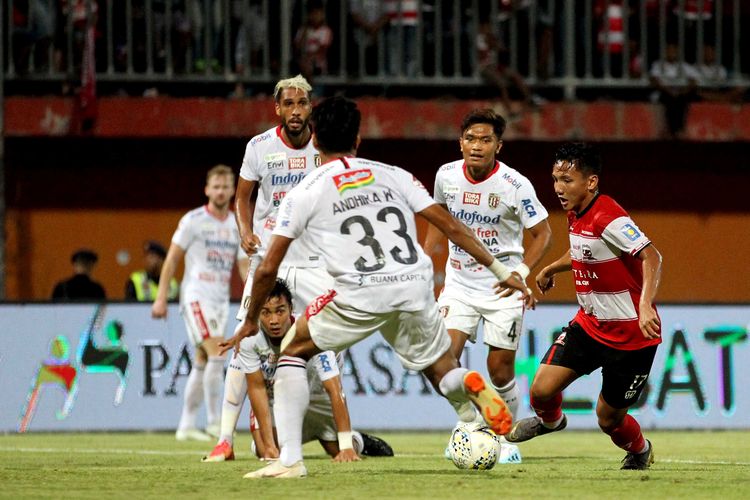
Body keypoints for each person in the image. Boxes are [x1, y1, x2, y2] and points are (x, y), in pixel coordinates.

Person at [221, 96, 534, 479]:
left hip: (360, 290)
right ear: (357, 137)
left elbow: (268, 266)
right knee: (440, 367)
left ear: (315, 139)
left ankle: (289, 461)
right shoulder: (394, 174)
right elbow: (453, 226)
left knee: (293, 350)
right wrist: (502, 270)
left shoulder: (306, 189)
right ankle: (466, 383)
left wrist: (251, 319)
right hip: (413, 283)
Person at [505, 142, 663, 471]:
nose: (558, 188)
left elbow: (652, 256)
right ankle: (551, 422)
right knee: (541, 390)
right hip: (590, 327)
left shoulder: (609, 216)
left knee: (608, 419)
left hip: (631, 339)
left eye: (566, 180)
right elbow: (583, 251)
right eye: (555, 179)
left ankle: (640, 449)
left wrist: (646, 304)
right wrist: (551, 268)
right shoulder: (577, 212)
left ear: (590, 182)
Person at [206, 74, 338, 460]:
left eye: (302, 103)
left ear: (310, 106)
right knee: (244, 341)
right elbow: (243, 197)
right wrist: (245, 231)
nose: (295, 111)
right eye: (289, 104)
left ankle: (339, 434)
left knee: (328, 341)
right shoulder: (259, 146)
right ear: (277, 108)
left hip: (315, 259)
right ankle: (224, 441)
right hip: (270, 257)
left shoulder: (324, 145)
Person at [423, 109, 552, 461]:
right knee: (441, 360)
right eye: (470, 139)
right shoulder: (446, 175)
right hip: (459, 284)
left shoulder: (515, 185)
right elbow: (440, 220)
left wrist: (522, 274)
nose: (476, 146)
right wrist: (424, 257)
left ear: (499, 145)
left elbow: (543, 234)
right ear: (460, 142)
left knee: (499, 370)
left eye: (485, 140)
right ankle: (469, 425)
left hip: (503, 287)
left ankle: (505, 438)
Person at [203, 279, 393, 463]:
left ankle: (357, 440)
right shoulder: (249, 336)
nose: (274, 320)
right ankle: (232, 439)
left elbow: (335, 389)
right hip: (282, 401)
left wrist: (346, 447)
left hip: (318, 399)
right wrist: (269, 446)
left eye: (280, 311)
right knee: (263, 450)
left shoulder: (313, 331)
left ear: (291, 308)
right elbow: (256, 388)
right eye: (265, 313)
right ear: (256, 313)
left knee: (336, 448)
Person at [151, 164, 249, 442]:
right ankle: (216, 422)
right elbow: (171, 260)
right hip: (195, 295)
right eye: (215, 186)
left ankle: (186, 425)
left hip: (219, 300)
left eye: (225, 186)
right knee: (218, 352)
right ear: (207, 190)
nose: (220, 191)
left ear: (232, 190)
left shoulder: (236, 224)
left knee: (204, 360)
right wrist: (161, 298)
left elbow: (243, 267)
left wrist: (254, 297)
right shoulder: (192, 220)